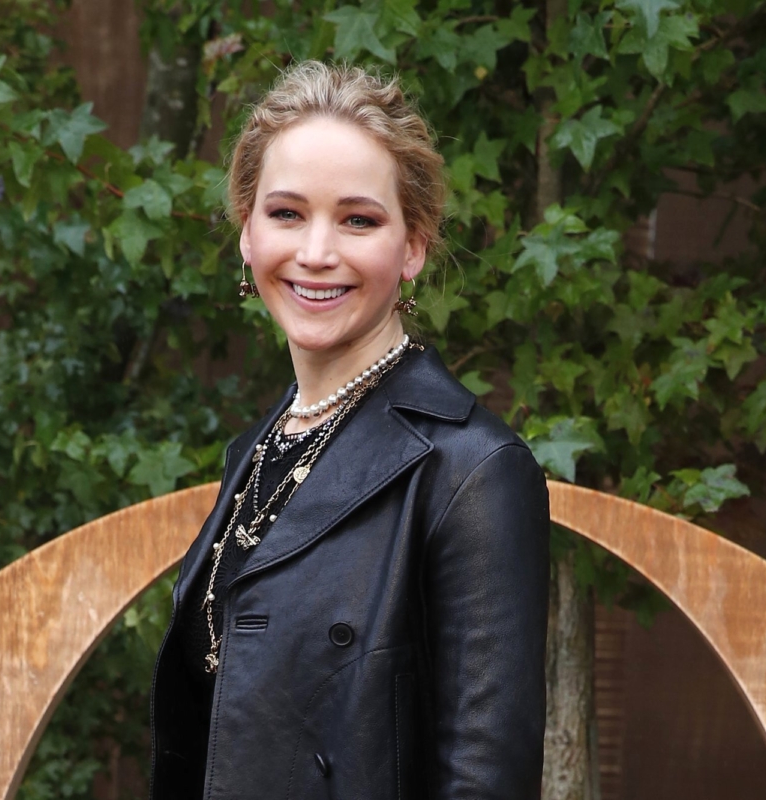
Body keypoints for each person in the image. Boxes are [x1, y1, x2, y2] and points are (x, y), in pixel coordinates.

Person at [149, 60, 550, 800]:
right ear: (246, 232)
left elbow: (485, 783)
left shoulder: (473, 471)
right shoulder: (259, 452)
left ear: (414, 247)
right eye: (287, 213)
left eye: (358, 219)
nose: (316, 253)